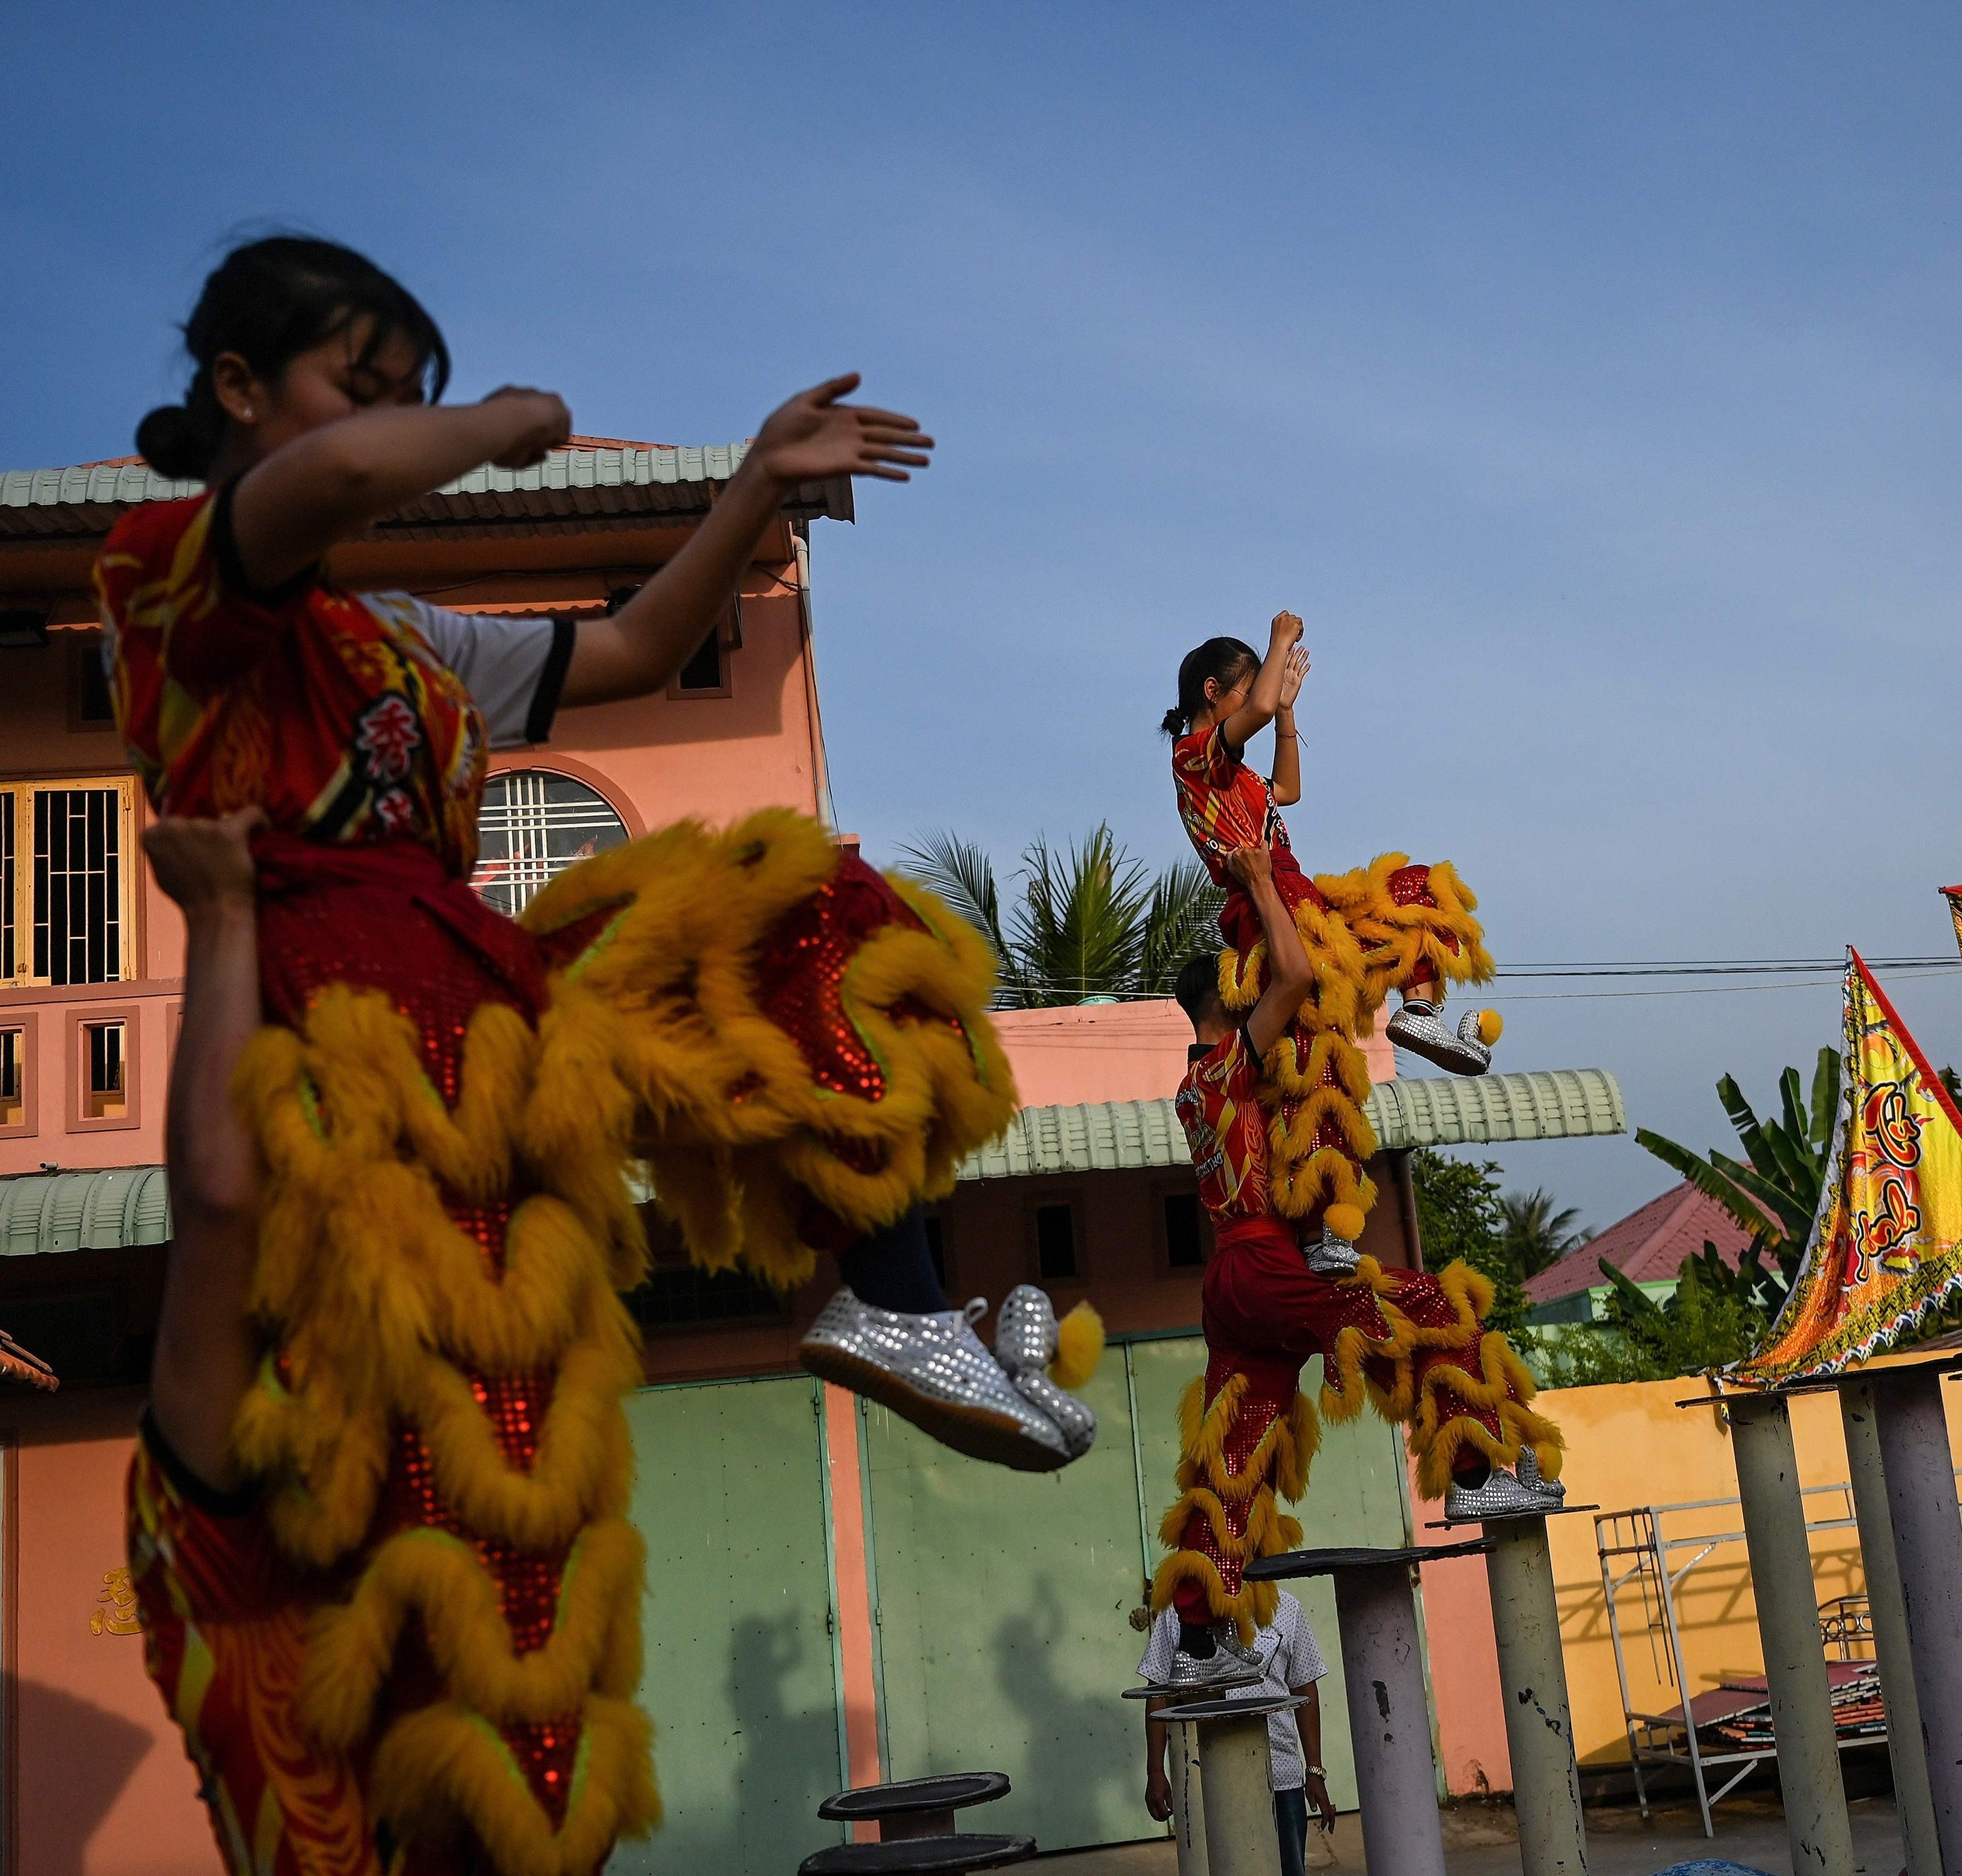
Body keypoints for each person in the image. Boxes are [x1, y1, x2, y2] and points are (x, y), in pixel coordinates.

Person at [101, 234, 1103, 1876]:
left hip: (483, 1006)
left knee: (788, 897)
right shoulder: (182, 593)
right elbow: (338, 479)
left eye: (412, 399)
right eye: (364, 387)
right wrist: (495, 422)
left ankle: (891, 1294)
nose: (392, 433)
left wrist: (747, 490)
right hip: (337, 1051)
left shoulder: (410, 642)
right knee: (474, 1525)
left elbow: (629, 653)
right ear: (232, 391)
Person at [1149, 840, 1561, 1668]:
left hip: (1230, 1280)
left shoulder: (1196, 1084)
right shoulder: (1230, 1060)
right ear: (1227, 1000)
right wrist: (1265, 886)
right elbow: (1298, 979)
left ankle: (1196, 1627)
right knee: (1434, 1311)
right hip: (1269, 1269)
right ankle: (1480, 1471)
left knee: (1239, 1445)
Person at [1167, 612, 1501, 1271]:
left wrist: (1286, 710)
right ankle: (1325, 1231)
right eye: (1247, 689)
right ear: (1214, 692)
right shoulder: (1192, 759)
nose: (1258, 699)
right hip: (1266, 913)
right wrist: (1280, 639)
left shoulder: (1237, 775)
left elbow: (1288, 788)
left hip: (1303, 900)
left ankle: (1420, 1014)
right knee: (1314, 1072)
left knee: (1416, 889)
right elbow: (1256, 709)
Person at [1140, 1590, 1337, 1876]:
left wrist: (1315, 1770)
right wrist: (1155, 1771)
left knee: (1287, 1868)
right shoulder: (1178, 1612)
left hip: (1280, 1775)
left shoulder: (1286, 1607)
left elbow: (1305, 1687)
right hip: (1204, 1777)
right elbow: (1157, 1690)